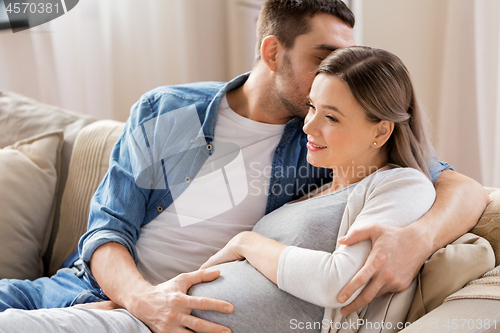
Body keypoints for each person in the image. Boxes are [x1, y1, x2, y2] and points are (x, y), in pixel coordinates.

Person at [0, 1, 489, 333]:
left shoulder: (326, 140)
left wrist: (420, 237)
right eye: (323, 58)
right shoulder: (167, 109)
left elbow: (460, 186)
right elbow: (107, 232)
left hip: (172, 313)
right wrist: (142, 300)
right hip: (90, 289)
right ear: (273, 52)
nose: (333, 76)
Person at [186, 45, 437, 332]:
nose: (308, 126)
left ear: (380, 131)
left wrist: (246, 241)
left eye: (331, 117)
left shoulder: (402, 184)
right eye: (312, 107)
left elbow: (340, 283)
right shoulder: (317, 188)